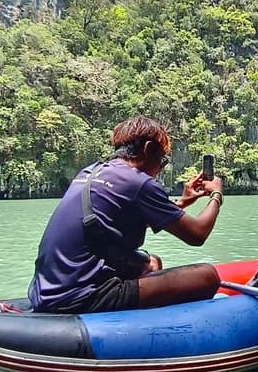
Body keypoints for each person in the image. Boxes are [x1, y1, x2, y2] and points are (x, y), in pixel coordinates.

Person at [28, 115, 223, 313]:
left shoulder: (90, 172)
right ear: (148, 149)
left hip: (45, 292)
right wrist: (216, 194)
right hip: (79, 297)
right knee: (207, 276)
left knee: (152, 263)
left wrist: (181, 203)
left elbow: (116, 219)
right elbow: (197, 235)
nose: (159, 169)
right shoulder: (138, 182)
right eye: (161, 160)